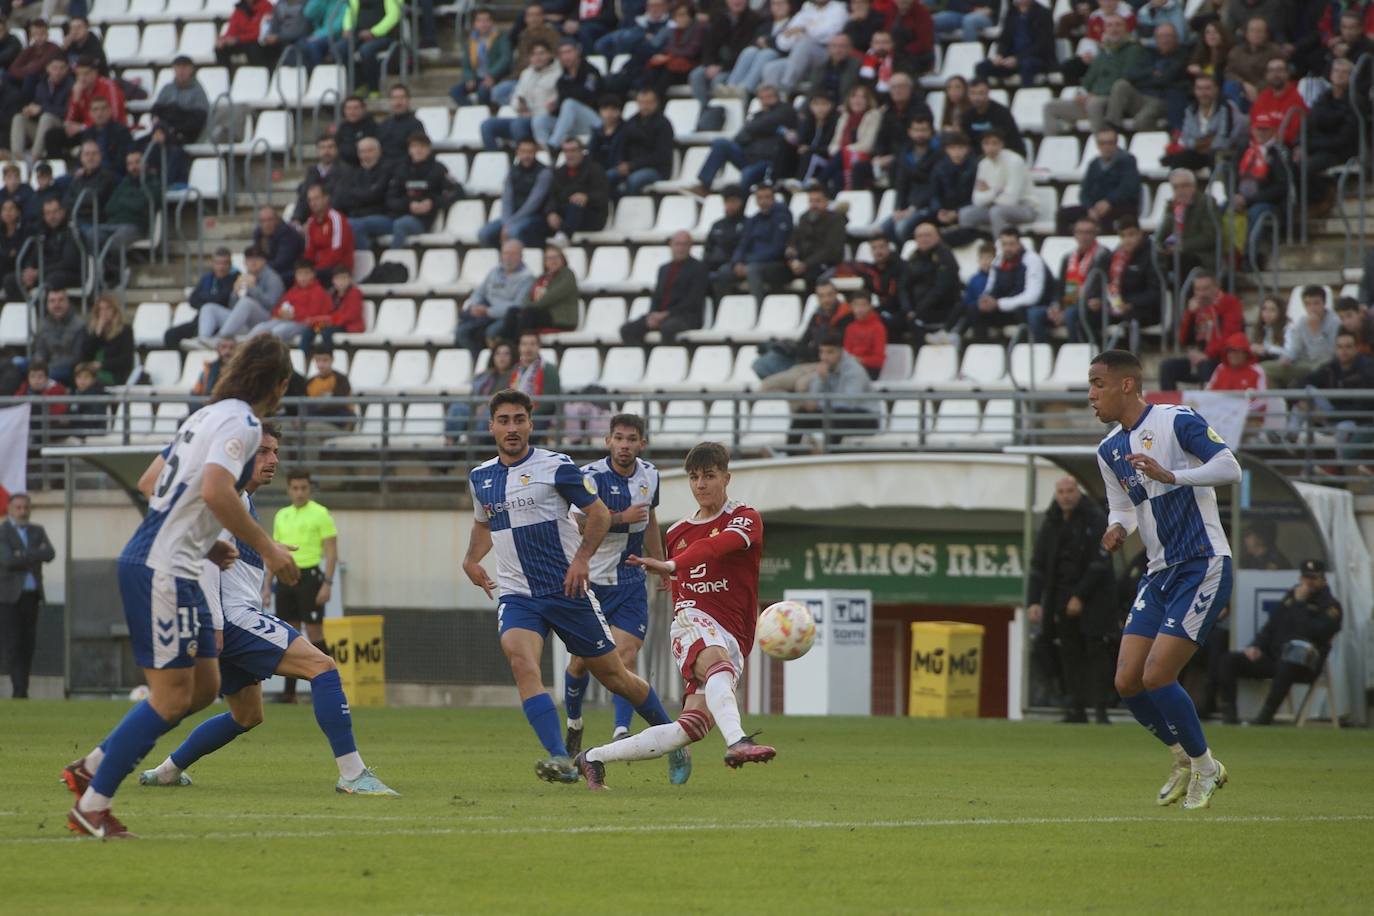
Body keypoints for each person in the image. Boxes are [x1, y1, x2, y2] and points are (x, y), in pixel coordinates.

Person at [61, 335, 300, 839]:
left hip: (179, 562)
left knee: (206, 688)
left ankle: (93, 764)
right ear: (279, 384)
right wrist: (268, 548)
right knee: (170, 698)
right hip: (162, 567)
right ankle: (93, 805)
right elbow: (215, 489)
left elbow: (153, 482)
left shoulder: (204, 415)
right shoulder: (243, 423)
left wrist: (207, 540)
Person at [135, 424, 393, 794]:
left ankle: (167, 770)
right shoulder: (227, 498)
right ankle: (353, 774)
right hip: (235, 619)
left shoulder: (240, 500)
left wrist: (269, 549)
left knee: (247, 715)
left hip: (231, 619)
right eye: (264, 452)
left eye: (275, 452)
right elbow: (205, 562)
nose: (273, 460)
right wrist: (216, 626)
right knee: (323, 666)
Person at [462, 388, 678, 784]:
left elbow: (596, 514)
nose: (512, 428)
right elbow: (483, 523)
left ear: (531, 423)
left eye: (519, 420)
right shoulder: (480, 477)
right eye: (504, 421)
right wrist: (471, 559)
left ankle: (672, 739)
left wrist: (581, 560)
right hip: (518, 595)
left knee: (617, 677)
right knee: (522, 661)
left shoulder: (557, 466)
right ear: (491, 426)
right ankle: (562, 758)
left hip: (568, 591)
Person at [573, 441, 776, 789]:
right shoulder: (677, 532)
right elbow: (685, 576)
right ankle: (738, 741)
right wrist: (672, 569)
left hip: (732, 634)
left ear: (726, 478)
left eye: (709, 476)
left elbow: (715, 546)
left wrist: (671, 564)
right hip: (691, 621)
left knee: (690, 728)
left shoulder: (745, 518)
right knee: (717, 665)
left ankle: (592, 758)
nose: (701, 484)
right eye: (694, 477)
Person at [1092, 348, 1240, 811]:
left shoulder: (1176, 420)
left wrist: (1172, 473)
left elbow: (1229, 467)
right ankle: (1182, 758)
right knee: (1127, 681)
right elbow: (1124, 505)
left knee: (1158, 674)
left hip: (1202, 562)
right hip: (1159, 573)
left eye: (1097, 384)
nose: (1091, 396)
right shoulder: (1109, 449)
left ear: (1127, 385)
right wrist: (1118, 527)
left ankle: (1206, 766)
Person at [562, 415, 683, 773]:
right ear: (608, 441)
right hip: (591, 584)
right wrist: (619, 516)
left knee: (623, 658)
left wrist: (661, 564)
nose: (625, 444)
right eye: (619, 438)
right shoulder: (591, 477)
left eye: (632, 438)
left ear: (642, 443)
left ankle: (624, 732)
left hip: (630, 583)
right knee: (581, 662)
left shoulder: (651, 475)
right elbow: (580, 522)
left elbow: (650, 519)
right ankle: (574, 723)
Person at [1026, 477, 1115, 724]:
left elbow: (1100, 563)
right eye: (1061, 492)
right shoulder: (1052, 521)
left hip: (1094, 599)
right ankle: (1075, 707)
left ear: (1079, 492)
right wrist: (1034, 601)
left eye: (1070, 491)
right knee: (1068, 653)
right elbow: (1038, 564)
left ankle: (1100, 709)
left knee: (1095, 651)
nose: (1065, 496)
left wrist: (1080, 595)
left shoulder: (1095, 519)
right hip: (1060, 598)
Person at [1217, 559, 1342, 726]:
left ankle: (1264, 717)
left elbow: (1311, 632)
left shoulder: (1331, 607)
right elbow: (1271, 626)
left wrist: (1300, 604)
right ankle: (1229, 716)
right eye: (1305, 577)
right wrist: (1257, 646)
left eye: (1313, 578)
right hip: (1275, 658)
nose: (1308, 582)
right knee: (1229, 660)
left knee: (1289, 660)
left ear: (1323, 580)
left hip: (1304, 665)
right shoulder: (1292, 597)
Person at [268, 468, 337, 704]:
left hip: (310, 577)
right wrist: (267, 586)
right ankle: (290, 693)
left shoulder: (321, 514)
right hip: (285, 577)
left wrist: (327, 583)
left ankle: (331, 685)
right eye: (295, 488)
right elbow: (273, 552)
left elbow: (331, 551)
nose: (299, 493)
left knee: (315, 632)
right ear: (289, 489)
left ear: (310, 488)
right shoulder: (281, 515)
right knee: (289, 634)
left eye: (303, 488)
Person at [683, 82, 793, 195]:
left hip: (768, 161)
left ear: (777, 97)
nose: (766, 101)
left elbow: (763, 124)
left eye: (769, 97)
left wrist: (755, 128)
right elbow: (741, 136)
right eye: (763, 98)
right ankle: (704, 185)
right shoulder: (757, 115)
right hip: (749, 156)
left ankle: (740, 205)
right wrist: (757, 129)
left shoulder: (786, 111)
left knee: (748, 173)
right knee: (721, 144)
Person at [1042, 15, 1143, 137]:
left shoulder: (1133, 49)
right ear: (1104, 29)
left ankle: (1101, 146)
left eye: (1118, 25)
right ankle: (1053, 147)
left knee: (1094, 103)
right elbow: (1089, 78)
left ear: (1126, 29)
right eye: (1109, 25)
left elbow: (1127, 78)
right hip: (1093, 99)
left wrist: (1094, 94)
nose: (1114, 29)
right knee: (1051, 107)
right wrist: (1082, 94)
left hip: (1116, 101)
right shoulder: (1103, 51)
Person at [0, 492, 54, 699]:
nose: (23, 511)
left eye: (26, 507)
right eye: (18, 508)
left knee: (28, 644)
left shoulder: (37, 531)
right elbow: (7, 560)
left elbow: (50, 553)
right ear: (11, 509)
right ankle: (18, 690)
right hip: (8, 598)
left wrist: (21, 554)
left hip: (32, 596)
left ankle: (23, 688)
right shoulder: (3, 532)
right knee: (13, 643)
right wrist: (33, 554)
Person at [785, 331, 879, 448]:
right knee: (803, 413)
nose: (824, 357)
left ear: (840, 351)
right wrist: (822, 380)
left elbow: (849, 403)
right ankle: (788, 452)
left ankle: (828, 455)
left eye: (830, 352)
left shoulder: (854, 371)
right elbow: (812, 400)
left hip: (866, 417)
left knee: (836, 417)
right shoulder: (823, 368)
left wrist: (819, 404)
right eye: (822, 352)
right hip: (834, 414)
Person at [1298, 329, 1374, 468]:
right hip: (1332, 414)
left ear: (1356, 348)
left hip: (1356, 421)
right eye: (1340, 347)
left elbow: (1362, 408)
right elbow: (1302, 381)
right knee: (1307, 392)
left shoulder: (1368, 369)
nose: (1344, 351)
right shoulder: (1331, 367)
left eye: (1348, 347)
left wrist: (1328, 416)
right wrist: (1305, 404)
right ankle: (1290, 435)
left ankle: (1336, 469)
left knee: (1344, 428)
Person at [1030, 217, 1111, 346]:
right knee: (1035, 314)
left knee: (1071, 314)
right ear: (1075, 234)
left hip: (1091, 307)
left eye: (1088, 232)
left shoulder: (1103, 255)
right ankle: (1044, 352)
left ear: (1095, 234)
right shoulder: (1068, 257)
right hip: (1068, 304)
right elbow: (1059, 287)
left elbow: (1098, 288)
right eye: (1080, 232)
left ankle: (1076, 350)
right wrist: (1056, 306)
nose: (1084, 237)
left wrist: (1066, 310)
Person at [1158, 271, 1243, 390]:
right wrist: (1189, 314)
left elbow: (1230, 337)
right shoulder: (1196, 307)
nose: (1201, 294)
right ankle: (1169, 407)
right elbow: (1182, 339)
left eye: (1206, 289)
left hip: (1220, 358)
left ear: (1216, 288)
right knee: (1167, 367)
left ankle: (1208, 406)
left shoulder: (1229, 303)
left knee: (1205, 366)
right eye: (1197, 289)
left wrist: (1206, 355)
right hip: (1199, 357)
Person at [621, 230, 706, 345]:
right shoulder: (664, 269)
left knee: (667, 328)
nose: (680, 248)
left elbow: (692, 301)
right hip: (662, 316)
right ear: (671, 245)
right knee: (627, 329)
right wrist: (653, 315)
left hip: (686, 316)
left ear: (690, 246)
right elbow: (657, 296)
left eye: (684, 244)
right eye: (677, 244)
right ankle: (644, 357)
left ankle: (666, 360)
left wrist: (666, 314)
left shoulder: (698, 268)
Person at [714, 182, 792, 302]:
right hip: (750, 262)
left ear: (773, 199)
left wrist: (748, 262)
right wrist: (737, 262)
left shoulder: (782, 217)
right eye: (760, 198)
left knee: (752, 270)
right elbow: (743, 244)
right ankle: (722, 310)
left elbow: (778, 248)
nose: (763, 201)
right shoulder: (753, 220)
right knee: (724, 271)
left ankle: (757, 310)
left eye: (767, 197)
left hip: (775, 264)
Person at [969, 227, 1050, 342]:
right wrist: (986, 298)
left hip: (1023, 308)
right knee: (975, 309)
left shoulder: (1032, 260)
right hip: (1003, 307)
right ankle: (984, 349)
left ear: (1019, 243)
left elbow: (1032, 297)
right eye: (1004, 244)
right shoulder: (998, 260)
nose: (1007, 248)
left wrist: (999, 303)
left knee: (1024, 312)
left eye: (1011, 244)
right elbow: (990, 287)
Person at [457, 239, 536, 356]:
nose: (508, 257)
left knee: (492, 332)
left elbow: (517, 306)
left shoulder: (527, 278)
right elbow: (479, 292)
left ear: (521, 256)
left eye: (513, 254)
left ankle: (490, 362)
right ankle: (477, 360)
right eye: (505, 253)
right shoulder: (495, 271)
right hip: (484, 313)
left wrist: (488, 311)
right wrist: (475, 305)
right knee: (461, 333)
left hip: (505, 317)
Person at [384, 132, 461, 249]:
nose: (418, 150)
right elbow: (390, 198)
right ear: (409, 149)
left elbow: (456, 191)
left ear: (429, 149)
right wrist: (408, 205)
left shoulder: (438, 169)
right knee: (359, 225)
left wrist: (432, 203)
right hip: (396, 216)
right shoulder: (400, 169)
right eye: (414, 146)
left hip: (421, 221)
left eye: (422, 146)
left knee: (401, 224)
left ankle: (391, 260)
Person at [1106, 22, 1187, 132]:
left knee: (1140, 123)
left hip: (1161, 99)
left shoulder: (1182, 55)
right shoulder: (1148, 53)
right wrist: (1152, 72)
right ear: (1156, 39)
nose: (1165, 40)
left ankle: (1162, 138)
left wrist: (1143, 78)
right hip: (1142, 97)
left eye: (1168, 36)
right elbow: (1130, 75)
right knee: (1121, 84)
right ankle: (1113, 126)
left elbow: (1165, 79)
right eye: (1161, 36)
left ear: (1176, 38)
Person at [1057, 129, 1141, 234]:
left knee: (1106, 215)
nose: (1106, 147)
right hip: (1095, 206)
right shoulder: (1094, 164)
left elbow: (1128, 187)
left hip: (1121, 205)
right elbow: (1084, 191)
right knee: (1063, 214)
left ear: (1116, 144)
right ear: (1098, 145)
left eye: (1110, 143)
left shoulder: (1128, 161)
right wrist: (1089, 208)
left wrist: (1109, 201)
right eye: (1102, 143)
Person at [480, 40, 558, 151]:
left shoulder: (559, 74)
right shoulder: (526, 73)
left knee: (518, 124)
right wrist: (520, 106)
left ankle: (523, 161)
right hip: (525, 118)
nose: (538, 57)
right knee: (487, 125)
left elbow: (556, 104)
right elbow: (515, 97)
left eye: (542, 53)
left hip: (544, 121)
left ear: (550, 54)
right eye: (534, 54)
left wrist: (534, 114)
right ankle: (498, 159)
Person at [1160, 74, 1248, 172]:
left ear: (1216, 89)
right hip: (1197, 154)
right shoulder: (1191, 110)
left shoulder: (1227, 108)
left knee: (1215, 157)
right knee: (1177, 160)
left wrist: (1202, 143)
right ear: (1195, 90)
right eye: (1199, 89)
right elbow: (1187, 139)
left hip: (1222, 154)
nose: (1203, 93)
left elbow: (1225, 140)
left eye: (1207, 88)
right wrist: (1205, 141)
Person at [959, 129, 1035, 238]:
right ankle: (975, 250)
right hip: (993, 206)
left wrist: (989, 192)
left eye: (994, 143)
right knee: (966, 213)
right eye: (986, 143)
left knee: (997, 212)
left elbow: (1010, 200)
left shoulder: (1015, 162)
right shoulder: (983, 164)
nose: (990, 148)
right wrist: (996, 191)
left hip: (1025, 208)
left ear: (1002, 145)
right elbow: (977, 200)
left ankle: (1000, 249)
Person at [198, 245, 285, 341]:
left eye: (256, 259)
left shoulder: (272, 278)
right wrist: (235, 293)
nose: (253, 262)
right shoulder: (245, 276)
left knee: (246, 302)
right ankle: (203, 339)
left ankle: (220, 340)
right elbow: (234, 308)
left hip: (266, 323)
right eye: (249, 259)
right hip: (245, 325)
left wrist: (253, 289)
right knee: (209, 307)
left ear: (264, 261)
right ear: (245, 262)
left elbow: (271, 306)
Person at [496, 244, 579, 341]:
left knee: (529, 313)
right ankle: (508, 345)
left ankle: (518, 345)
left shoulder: (567, 274)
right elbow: (527, 297)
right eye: (549, 258)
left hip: (561, 318)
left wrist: (535, 302)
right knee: (513, 311)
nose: (553, 261)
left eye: (556, 257)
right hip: (542, 314)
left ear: (563, 259)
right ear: (545, 262)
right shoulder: (541, 278)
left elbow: (551, 297)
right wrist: (528, 306)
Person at [480, 137, 552, 248]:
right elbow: (506, 199)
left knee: (514, 232)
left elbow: (533, 203)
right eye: (523, 151)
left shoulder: (544, 172)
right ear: (517, 152)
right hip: (511, 218)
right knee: (484, 233)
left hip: (535, 217)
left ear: (535, 152)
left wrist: (509, 224)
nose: (526, 155)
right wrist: (506, 222)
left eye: (530, 152)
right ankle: (501, 260)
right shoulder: (512, 171)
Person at [533, 39, 602, 150]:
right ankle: (546, 154)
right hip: (571, 124)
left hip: (594, 121)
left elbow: (588, 96)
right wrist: (554, 108)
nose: (565, 57)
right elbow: (563, 103)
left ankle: (553, 145)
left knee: (570, 104)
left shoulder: (591, 72)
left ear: (577, 51)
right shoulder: (562, 79)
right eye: (562, 53)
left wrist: (568, 96)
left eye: (568, 52)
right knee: (540, 120)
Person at [899, 221, 960, 346]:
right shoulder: (913, 257)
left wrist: (918, 310)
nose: (924, 239)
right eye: (920, 236)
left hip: (939, 308)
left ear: (937, 236)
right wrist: (908, 309)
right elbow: (903, 286)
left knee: (915, 322)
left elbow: (942, 288)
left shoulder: (944, 255)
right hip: (915, 310)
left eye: (928, 235)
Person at [1265, 286, 1338, 389]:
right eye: (1308, 304)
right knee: (1265, 369)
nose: (1312, 308)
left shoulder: (1335, 323)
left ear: (1324, 303)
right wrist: (1288, 357)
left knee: (1319, 369)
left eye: (1316, 303)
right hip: (1304, 364)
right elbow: (1295, 347)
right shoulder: (1302, 321)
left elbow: (1329, 356)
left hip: (1324, 366)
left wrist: (1316, 333)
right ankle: (1278, 402)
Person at [883, 115, 941, 243]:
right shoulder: (905, 153)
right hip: (909, 206)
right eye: (916, 130)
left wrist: (913, 208)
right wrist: (899, 209)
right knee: (884, 228)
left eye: (924, 130)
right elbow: (901, 184)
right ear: (910, 132)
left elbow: (935, 186)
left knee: (902, 228)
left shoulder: (939, 155)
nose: (920, 134)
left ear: (931, 131)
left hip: (929, 207)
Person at [690, 0, 760, 105]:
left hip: (735, 68)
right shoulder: (719, 18)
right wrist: (709, 64)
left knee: (718, 81)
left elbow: (745, 53)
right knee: (696, 75)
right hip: (715, 64)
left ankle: (721, 112)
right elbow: (708, 45)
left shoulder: (754, 20)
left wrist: (721, 67)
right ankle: (704, 110)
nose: (737, 2)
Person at [1155, 168, 1219, 280]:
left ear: (1193, 186)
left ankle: (1183, 296)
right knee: (1152, 258)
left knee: (1181, 260)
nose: (1180, 190)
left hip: (1200, 256)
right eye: (1176, 187)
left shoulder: (1206, 203)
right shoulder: (1172, 206)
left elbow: (1210, 236)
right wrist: (1161, 247)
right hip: (1176, 253)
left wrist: (1181, 246)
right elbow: (1161, 235)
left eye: (1184, 186)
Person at [446, 340, 514, 444]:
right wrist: (476, 406)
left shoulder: (515, 376)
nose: (502, 357)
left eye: (506, 354)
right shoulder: (485, 376)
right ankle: (449, 446)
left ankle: (476, 448)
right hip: (476, 408)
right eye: (498, 353)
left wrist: (487, 406)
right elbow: (473, 395)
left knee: (487, 414)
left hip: (498, 412)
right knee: (457, 408)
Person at [973, 0, 1054, 87]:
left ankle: (1025, 97)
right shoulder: (1012, 12)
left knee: (1026, 66)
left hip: (1036, 59)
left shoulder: (1043, 13)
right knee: (982, 67)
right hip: (1011, 60)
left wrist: (1018, 59)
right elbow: (1004, 39)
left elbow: (1042, 46)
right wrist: (1000, 55)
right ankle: (983, 96)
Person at [611, 87, 673, 198]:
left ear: (656, 103)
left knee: (634, 180)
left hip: (655, 170)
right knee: (606, 177)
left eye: (648, 102)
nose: (645, 106)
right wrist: (620, 163)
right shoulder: (631, 122)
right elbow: (621, 147)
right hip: (630, 167)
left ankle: (628, 209)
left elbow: (660, 156)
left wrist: (631, 166)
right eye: (642, 102)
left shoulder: (663, 125)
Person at [252, 259, 334, 342]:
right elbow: (277, 308)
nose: (303, 277)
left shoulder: (318, 291)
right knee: (259, 329)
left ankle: (270, 354)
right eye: (300, 273)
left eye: (306, 273)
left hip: (306, 324)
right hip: (286, 321)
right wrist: (281, 312)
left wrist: (293, 314)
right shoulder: (293, 290)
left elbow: (312, 314)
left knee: (277, 332)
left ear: (313, 274)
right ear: (295, 275)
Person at [545, 137, 609, 243]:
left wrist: (587, 197)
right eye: (566, 151)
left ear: (581, 151)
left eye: (573, 150)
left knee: (575, 204)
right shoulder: (560, 172)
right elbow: (552, 197)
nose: (569, 154)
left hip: (591, 216)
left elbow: (603, 195)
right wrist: (551, 212)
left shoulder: (595, 169)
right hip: (565, 215)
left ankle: (563, 237)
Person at [336, 137, 394, 250]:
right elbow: (343, 198)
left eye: (370, 150)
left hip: (383, 217)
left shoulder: (387, 170)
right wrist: (365, 194)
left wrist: (356, 194)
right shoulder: (352, 173)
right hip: (356, 217)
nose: (366, 154)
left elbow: (375, 195)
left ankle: (366, 261)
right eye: (362, 151)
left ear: (379, 151)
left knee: (353, 225)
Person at [785, 184, 847, 288]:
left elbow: (831, 250)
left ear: (826, 202)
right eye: (811, 201)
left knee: (812, 276)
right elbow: (795, 239)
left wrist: (806, 264)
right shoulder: (804, 218)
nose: (813, 205)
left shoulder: (836, 220)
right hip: (804, 263)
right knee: (778, 272)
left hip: (826, 263)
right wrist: (791, 251)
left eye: (818, 201)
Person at [11, 55, 70, 161]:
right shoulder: (42, 85)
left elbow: (66, 111)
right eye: (55, 68)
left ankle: (34, 158)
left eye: (62, 68)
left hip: (60, 128)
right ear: (48, 68)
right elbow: (37, 104)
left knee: (46, 117)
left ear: (66, 69)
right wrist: (30, 110)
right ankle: (17, 159)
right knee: (19, 118)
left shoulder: (70, 85)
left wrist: (41, 109)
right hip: (42, 129)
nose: (58, 72)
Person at [450, 7, 512, 106]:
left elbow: (505, 59)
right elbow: (466, 65)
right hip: (477, 77)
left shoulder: (501, 37)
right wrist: (469, 78)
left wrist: (492, 75)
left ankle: (488, 112)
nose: (483, 24)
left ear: (492, 22)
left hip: (496, 77)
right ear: (475, 23)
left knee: (483, 91)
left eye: (487, 20)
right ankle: (472, 112)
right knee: (455, 91)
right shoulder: (471, 41)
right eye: (480, 21)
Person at [341, 0, 404, 96]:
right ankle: (358, 84)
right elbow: (349, 11)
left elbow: (394, 15)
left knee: (366, 50)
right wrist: (347, 27)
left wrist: (374, 32)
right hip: (359, 33)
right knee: (340, 49)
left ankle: (374, 89)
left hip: (385, 35)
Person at [299, 266, 365, 354]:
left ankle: (328, 357)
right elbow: (327, 312)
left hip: (348, 326)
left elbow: (351, 315)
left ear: (350, 280)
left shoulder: (354, 293)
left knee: (326, 332)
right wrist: (321, 320)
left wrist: (329, 320)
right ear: (333, 281)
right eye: (338, 278)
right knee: (310, 331)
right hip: (332, 324)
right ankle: (303, 358)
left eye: (344, 278)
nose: (341, 282)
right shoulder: (332, 294)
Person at [293, 134, 350, 230]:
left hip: (334, 219)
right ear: (317, 150)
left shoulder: (345, 171)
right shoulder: (312, 171)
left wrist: (315, 220)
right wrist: (297, 218)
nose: (326, 151)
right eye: (322, 147)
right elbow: (303, 197)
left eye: (330, 147)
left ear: (337, 149)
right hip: (312, 218)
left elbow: (338, 201)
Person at [1223, 16, 1279, 112]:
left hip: (1266, 90)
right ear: (1247, 33)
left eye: (1260, 31)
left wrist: (1257, 89)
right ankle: (1235, 119)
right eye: (1252, 31)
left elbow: (1278, 74)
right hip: (1241, 91)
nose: (1256, 34)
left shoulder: (1274, 51)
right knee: (1230, 85)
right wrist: (1244, 84)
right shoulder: (1237, 51)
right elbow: (1229, 72)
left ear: (1266, 34)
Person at [77, 293, 133, 387]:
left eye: (108, 308)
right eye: (101, 309)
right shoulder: (90, 330)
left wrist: (102, 365)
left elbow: (126, 360)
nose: (104, 312)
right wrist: (97, 334)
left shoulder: (125, 330)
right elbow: (84, 356)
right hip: (90, 374)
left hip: (114, 374)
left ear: (115, 311)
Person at [959, 77, 1026, 157]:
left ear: (988, 93)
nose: (977, 97)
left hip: (1005, 154)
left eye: (981, 93)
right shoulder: (967, 116)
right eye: (973, 93)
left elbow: (1008, 141)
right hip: (978, 156)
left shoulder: (1002, 113)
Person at [29, 286, 83, 384]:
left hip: (67, 369)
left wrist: (47, 367)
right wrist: (38, 365)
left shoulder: (79, 325)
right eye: (52, 301)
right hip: (46, 367)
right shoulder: (44, 324)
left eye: (60, 300)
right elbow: (40, 351)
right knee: (17, 363)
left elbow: (77, 357)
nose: (56, 304)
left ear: (68, 302)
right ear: (47, 304)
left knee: (45, 374)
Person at [1248, 57, 1305, 148]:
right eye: (1271, 71)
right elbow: (1253, 124)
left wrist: (1270, 138)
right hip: (1258, 144)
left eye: (1279, 70)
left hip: (1282, 146)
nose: (1275, 74)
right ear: (1266, 75)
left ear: (1287, 74)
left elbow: (1295, 133)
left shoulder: (1296, 99)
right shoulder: (1263, 97)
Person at [150, 55, 209, 144]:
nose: (181, 71)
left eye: (184, 67)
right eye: (178, 67)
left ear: (191, 70)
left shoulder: (198, 92)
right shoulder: (167, 89)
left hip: (185, 135)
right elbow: (156, 111)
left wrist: (175, 125)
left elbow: (199, 119)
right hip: (164, 131)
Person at [302, 183, 355, 280]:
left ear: (326, 199)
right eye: (310, 200)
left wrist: (314, 271)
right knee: (290, 277)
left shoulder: (336, 219)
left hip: (339, 270)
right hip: (318, 270)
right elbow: (309, 252)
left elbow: (337, 253)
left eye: (316, 198)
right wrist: (305, 270)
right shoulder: (311, 222)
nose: (313, 203)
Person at [304, 347, 354, 426]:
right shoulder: (309, 382)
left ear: (332, 360)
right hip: (315, 419)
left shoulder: (341, 379)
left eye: (325, 360)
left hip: (337, 422)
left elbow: (337, 405)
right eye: (318, 360)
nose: (321, 364)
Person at [216, 0, 275, 67]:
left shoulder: (266, 6)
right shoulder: (240, 8)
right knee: (220, 48)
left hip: (258, 42)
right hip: (242, 41)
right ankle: (226, 74)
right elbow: (232, 30)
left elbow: (262, 32)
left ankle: (258, 73)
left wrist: (238, 39)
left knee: (253, 48)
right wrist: (224, 39)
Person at [375, 85, 423, 165]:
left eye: (402, 97)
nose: (398, 102)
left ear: (408, 100)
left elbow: (418, 152)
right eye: (395, 98)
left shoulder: (416, 125)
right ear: (390, 101)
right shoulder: (383, 125)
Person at [842, 292, 886, 379]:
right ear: (851, 307)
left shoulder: (878, 328)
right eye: (856, 305)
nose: (859, 309)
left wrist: (860, 360)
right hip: (850, 367)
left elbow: (879, 360)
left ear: (870, 306)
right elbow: (846, 352)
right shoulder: (850, 328)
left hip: (869, 370)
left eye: (863, 305)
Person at [254, 205, 304, 279]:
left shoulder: (288, 234)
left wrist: (259, 266)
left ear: (277, 220)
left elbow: (282, 263)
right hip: (269, 272)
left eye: (270, 220)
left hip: (290, 274)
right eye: (262, 221)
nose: (266, 224)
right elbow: (255, 256)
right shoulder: (259, 233)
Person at [333, 95, 378, 168]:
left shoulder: (372, 127)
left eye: (356, 108)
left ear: (363, 109)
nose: (352, 111)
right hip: (345, 168)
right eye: (349, 108)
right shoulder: (342, 128)